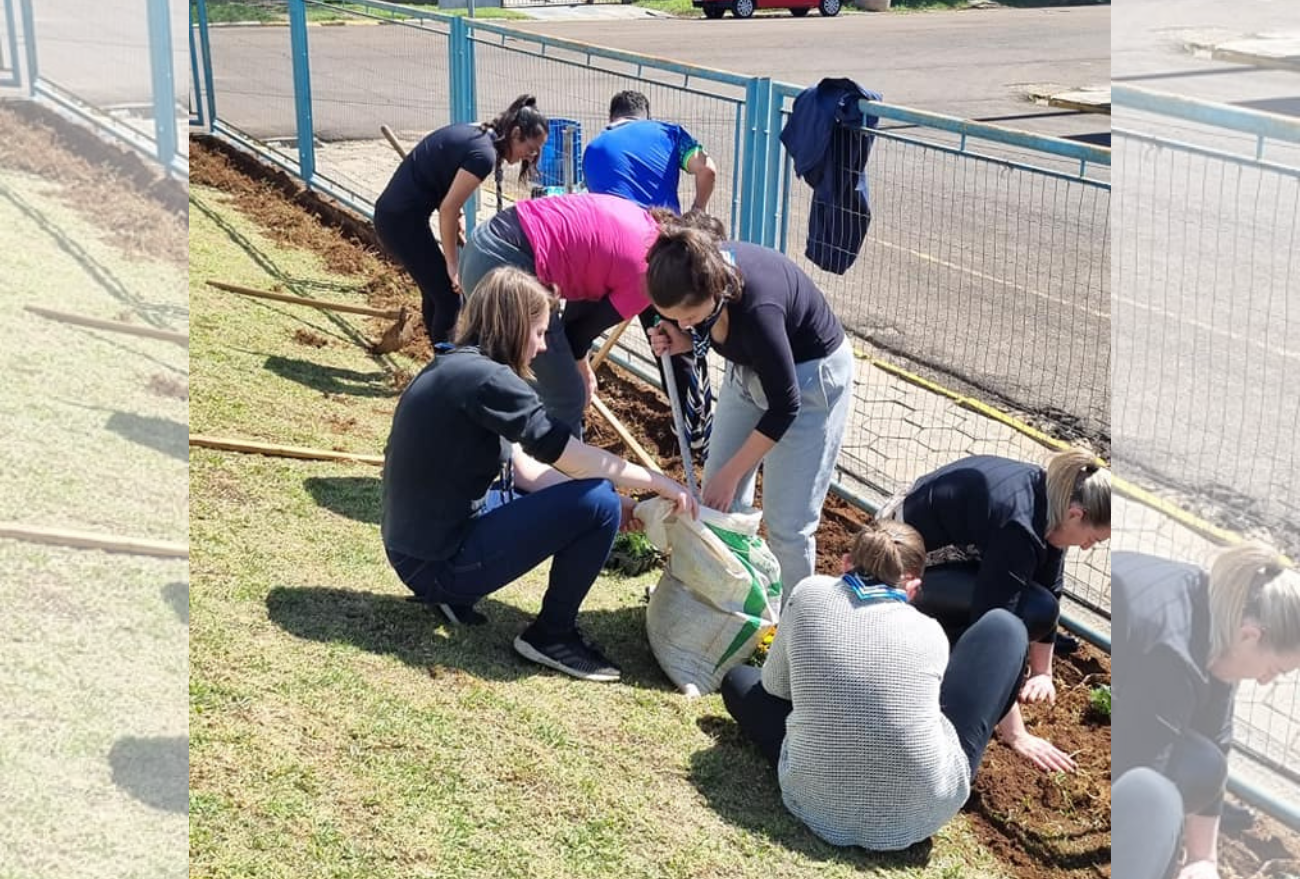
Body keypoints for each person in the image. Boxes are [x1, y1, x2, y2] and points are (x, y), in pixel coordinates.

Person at [381, 266, 696, 682]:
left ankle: (457, 596)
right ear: (513, 326)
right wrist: (656, 482)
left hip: (415, 548)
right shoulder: (490, 380)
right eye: (540, 332)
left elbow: (526, 470)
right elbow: (570, 456)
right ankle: (552, 636)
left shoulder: (459, 364)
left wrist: (613, 502)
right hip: (435, 564)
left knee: (598, 499)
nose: (543, 346)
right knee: (598, 499)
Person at [720, 520, 1029, 851]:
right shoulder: (930, 632)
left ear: (845, 563)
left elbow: (776, 688)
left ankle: (827, 772)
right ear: (912, 588)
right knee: (1006, 628)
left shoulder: (808, 593)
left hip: (814, 801)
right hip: (919, 814)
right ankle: (932, 784)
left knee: (740, 681)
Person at [645, 222, 854, 594]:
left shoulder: (759, 308)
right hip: (749, 372)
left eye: (688, 317)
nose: (681, 323)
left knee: (788, 525)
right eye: (672, 316)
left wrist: (732, 474)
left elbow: (784, 406)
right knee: (718, 502)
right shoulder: (693, 269)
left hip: (809, 386)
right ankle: (734, 601)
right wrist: (684, 338)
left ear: (713, 292)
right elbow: (715, 327)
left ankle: (796, 627)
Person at [884, 449, 1111, 773]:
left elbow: (1050, 588)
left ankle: (948, 631)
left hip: (937, 549)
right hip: (897, 571)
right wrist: (1017, 735)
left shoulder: (1052, 498)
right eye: (1093, 539)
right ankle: (944, 642)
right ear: (1076, 514)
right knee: (1016, 619)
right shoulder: (1018, 525)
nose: (1088, 547)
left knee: (1040, 606)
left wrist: (1042, 673)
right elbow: (993, 628)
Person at [1111, 546, 1300, 879]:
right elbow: (1144, 789)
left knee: (1202, 764)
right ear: (1249, 636)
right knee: (1154, 795)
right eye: (1275, 668)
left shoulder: (1221, 620)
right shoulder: (1171, 654)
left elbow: (1214, 746)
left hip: (1133, 692)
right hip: (1128, 683)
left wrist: (1202, 859)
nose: (1266, 679)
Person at [457, 192, 663, 438]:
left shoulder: (642, 222)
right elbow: (577, 334)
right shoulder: (645, 281)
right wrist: (581, 375)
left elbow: (577, 316)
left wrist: (579, 366)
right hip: (509, 269)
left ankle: (500, 450)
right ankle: (564, 473)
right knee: (566, 396)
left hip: (483, 244)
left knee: (515, 376)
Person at [373, 95, 548, 345]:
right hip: (400, 221)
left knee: (435, 293)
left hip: (398, 215)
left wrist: (458, 217)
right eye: (530, 149)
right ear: (516, 132)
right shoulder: (483, 155)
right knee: (449, 296)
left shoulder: (479, 133)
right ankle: (446, 371)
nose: (531, 157)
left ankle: (440, 363)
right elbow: (447, 209)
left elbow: (446, 181)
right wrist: (453, 265)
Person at [582, 89, 718, 215]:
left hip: (616, 233)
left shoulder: (593, 148)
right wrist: (698, 209)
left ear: (611, 117)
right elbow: (707, 169)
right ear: (648, 116)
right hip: (666, 233)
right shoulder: (671, 134)